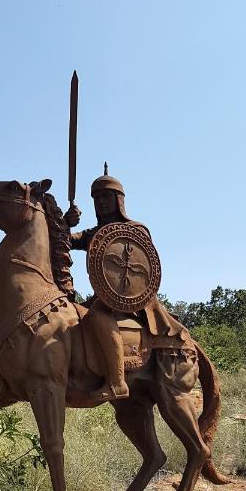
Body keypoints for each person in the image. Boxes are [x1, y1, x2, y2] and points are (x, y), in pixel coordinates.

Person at [64, 166, 181, 402]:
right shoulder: (92, 234)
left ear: (119, 200)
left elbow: (143, 269)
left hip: (133, 303)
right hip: (106, 299)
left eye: (106, 196)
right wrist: (66, 223)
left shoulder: (136, 230)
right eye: (96, 198)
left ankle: (116, 383)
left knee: (97, 315)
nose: (101, 202)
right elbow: (63, 240)